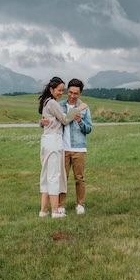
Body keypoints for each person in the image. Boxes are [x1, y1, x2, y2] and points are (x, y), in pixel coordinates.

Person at [41, 78, 93, 214]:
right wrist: (41, 123)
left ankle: (80, 204)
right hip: (62, 147)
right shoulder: (60, 104)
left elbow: (89, 129)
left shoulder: (85, 108)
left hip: (79, 148)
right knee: (61, 177)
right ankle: (60, 205)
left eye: (76, 93)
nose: (72, 95)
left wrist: (81, 121)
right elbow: (51, 118)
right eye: (69, 92)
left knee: (80, 178)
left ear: (80, 93)